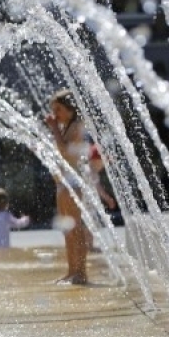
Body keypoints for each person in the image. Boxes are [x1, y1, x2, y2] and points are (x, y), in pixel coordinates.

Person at [44, 88, 90, 285]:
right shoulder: (67, 128)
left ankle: (81, 272)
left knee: (76, 229)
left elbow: (66, 151)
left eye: (58, 109)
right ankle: (72, 271)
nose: (55, 115)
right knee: (68, 230)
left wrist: (53, 127)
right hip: (63, 184)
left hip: (72, 184)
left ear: (70, 109)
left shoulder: (77, 126)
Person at [88, 144, 123, 227]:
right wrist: (108, 199)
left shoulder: (91, 170)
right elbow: (98, 188)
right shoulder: (90, 171)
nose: (105, 165)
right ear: (95, 160)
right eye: (104, 161)